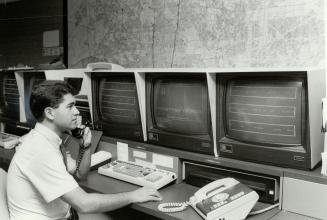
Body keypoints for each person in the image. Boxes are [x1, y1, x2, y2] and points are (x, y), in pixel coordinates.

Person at [6, 80, 162, 220]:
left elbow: (80, 175)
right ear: (50, 113)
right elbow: (84, 204)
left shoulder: (48, 140)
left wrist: (85, 146)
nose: (77, 112)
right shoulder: (40, 150)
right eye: (70, 106)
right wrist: (133, 195)